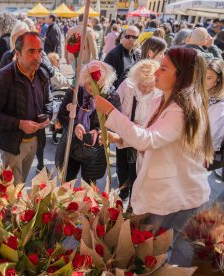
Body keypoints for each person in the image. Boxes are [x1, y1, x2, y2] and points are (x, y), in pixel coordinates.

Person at [95, 47, 214, 267]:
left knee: (157, 256)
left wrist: (111, 113)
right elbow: (152, 136)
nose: (156, 72)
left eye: (164, 68)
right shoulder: (164, 100)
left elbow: (148, 139)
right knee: (153, 252)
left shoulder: (182, 109)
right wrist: (120, 138)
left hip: (174, 199)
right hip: (164, 195)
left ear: (182, 75)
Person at [0, 32, 53, 183]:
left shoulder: (42, 74)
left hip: (34, 141)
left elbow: (49, 100)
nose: (37, 57)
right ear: (17, 54)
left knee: (21, 183)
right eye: (31, 51)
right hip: (12, 144)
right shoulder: (3, 77)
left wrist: (47, 115)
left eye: (40, 51)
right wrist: (20, 124)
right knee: (12, 189)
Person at [56, 61, 120, 183]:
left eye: (99, 84)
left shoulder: (112, 96)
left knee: (89, 186)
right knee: (67, 182)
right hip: (71, 145)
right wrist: (75, 126)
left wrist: (99, 131)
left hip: (95, 151)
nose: (93, 88)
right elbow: (62, 115)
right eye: (90, 83)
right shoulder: (74, 92)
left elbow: (116, 123)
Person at [115, 59, 162, 200]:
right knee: (122, 165)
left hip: (144, 137)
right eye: (143, 85)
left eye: (150, 86)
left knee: (138, 170)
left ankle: (134, 200)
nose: (147, 89)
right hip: (123, 133)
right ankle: (123, 192)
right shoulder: (127, 85)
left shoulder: (160, 93)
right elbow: (115, 107)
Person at [206, 59, 224, 175]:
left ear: (218, 79)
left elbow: (212, 136)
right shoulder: (197, 95)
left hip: (205, 156)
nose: (203, 81)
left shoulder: (220, 105)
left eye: (209, 78)